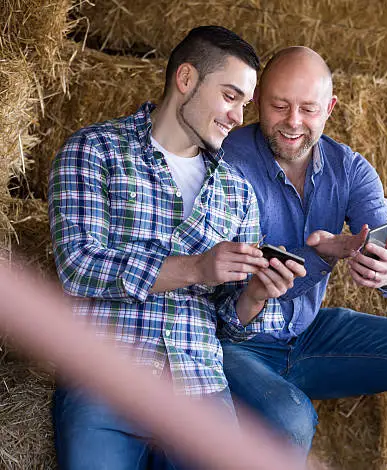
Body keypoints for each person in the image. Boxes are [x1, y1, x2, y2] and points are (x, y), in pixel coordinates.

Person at [48, 26, 304, 470]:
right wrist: (197, 268)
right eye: (230, 97)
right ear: (186, 79)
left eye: (244, 103)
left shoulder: (237, 193)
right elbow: (78, 267)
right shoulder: (94, 150)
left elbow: (228, 325)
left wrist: (254, 297)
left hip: (200, 391)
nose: (238, 116)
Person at [219, 47, 387, 470]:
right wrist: (321, 253)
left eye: (309, 109)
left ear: (330, 108)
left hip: (307, 335)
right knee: (291, 417)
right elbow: (240, 271)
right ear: (256, 100)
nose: (294, 122)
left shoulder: (349, 168)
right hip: (235, 341)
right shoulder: (224, 159)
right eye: (280, 106)